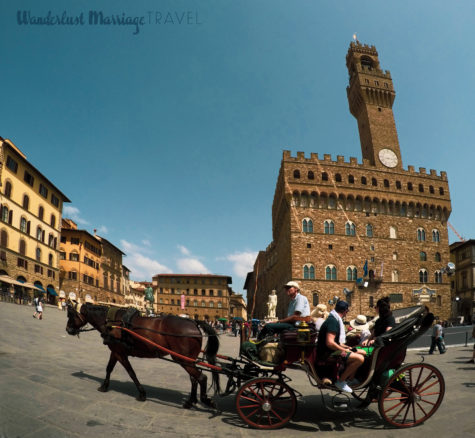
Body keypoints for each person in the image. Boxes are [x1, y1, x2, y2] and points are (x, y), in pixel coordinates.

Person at [316, 300, 364, 393]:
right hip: (328, 354)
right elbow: (330, 343)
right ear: (345, 311)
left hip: (330, 350)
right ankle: (341, 381)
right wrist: (344, 350)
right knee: (360, 359)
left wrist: (347, 347)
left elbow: (337, 342)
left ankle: (350, 378)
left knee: (362, 352)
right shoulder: (333, 322)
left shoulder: (333, 319)